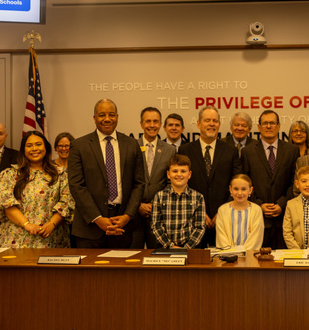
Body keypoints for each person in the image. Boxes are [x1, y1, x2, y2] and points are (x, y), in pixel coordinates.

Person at [68, 99, 145, 248]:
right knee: (90, 271)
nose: (107, 119)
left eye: (111, 115)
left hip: (122, 225)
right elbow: (76, 185)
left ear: (117, 117)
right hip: (89, 227)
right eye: (102, 115)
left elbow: (139, 184)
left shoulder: (132, 144)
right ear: (94, 118)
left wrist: (127, 216)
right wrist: (97, 218)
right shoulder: (79, 146)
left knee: (121, 270)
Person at [0, 131, 74, 248]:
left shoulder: (60, 174)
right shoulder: (9, 174)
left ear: (46, 147)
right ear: (23, 150)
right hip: (16, 240)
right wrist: (27, 225)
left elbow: (66, 203)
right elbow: (7, 204)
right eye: (29, 146)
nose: (34, 149)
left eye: (38, 144)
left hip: (52, 239)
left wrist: (52, 224)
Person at [179, 105, 241, 246]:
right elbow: (182, 184)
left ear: (219, 124)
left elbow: (236, 183)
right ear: (199, 124)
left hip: (225, 219)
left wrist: (223, 210)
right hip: (192, 221)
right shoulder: (185, 150)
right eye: (207, 120)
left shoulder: (230, 151)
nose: (211, 124)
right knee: (195, 264)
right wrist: (200, 212)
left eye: (215, 121)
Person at [242, 110, 300, 249]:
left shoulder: (292, 150)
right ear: (259, 127)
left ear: (279, 126)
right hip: (256, 220)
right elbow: (244, 183)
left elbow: (295, 182)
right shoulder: (247, 152)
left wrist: (282, 203)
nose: (269, 126)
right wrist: (258, 204)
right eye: (265, 123)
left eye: (272, 123)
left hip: (285, 221)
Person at [133, 107, 176, 248]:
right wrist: (137, 205)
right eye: (148, 121)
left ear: (161, 124)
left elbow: (171, 182)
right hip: (133, 215)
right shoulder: (131, 146)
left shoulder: (170, 150)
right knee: (133, 259)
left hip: (159, 216)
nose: (152, 125)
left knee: (158, 259)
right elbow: (125, 180)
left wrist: (156, 204)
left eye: (156, 121)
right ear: (141, 124)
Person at [151, 154, 206, 248]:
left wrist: (187, 248)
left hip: (190, 249)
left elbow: (200, 227)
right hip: (165, 248)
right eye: (175, 171)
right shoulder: (159, 196)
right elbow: (156, 226)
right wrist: (171, 246)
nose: (179, 174)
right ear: (168, 174)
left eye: (183, 171)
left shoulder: (198, 197)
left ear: (189, 175)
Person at [215, 174, 264, 251]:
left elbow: (256, 237)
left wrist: (243, 252)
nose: (239, 193)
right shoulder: (222, 210)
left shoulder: (256, 210)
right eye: (236, 189)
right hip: (228, 257)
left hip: (250, 257)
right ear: (230, 190)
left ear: (250, 190)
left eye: (243, 189)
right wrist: (230, 253)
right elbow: (221, 237)